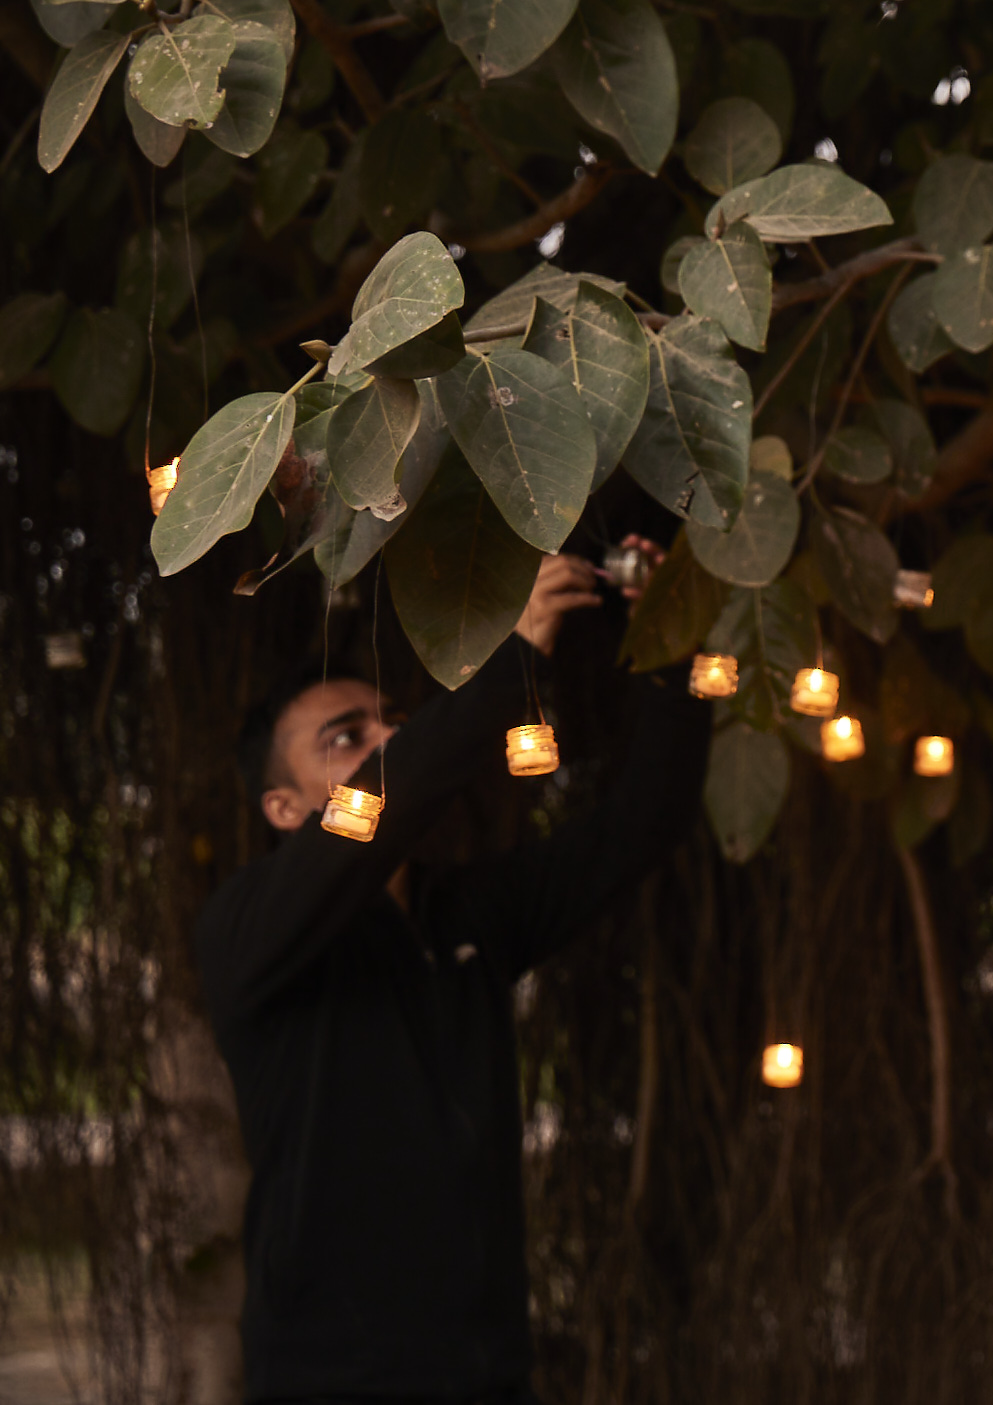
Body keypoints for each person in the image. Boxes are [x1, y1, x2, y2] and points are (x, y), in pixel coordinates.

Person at [198, 540, 708, 1404]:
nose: (388, 738)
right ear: (283, 809)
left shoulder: (463, 915)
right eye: (345, 737)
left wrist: (673, 637)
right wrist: (505, 667)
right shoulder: (245, 930)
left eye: (390, 719)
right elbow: (381, 808)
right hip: (328, 1382)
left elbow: (642, 823)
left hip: (487, 1374)